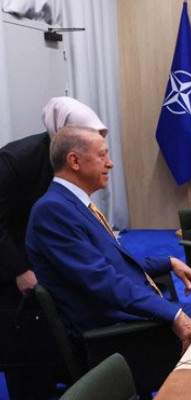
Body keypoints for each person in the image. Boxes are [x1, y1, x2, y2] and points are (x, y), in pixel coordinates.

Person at [25, 126, 191, 390]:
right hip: (115, 332)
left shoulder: (72, 204)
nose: (110, 163)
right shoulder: (53, 211)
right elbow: (103, 280)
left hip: (128, 313)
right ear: (74, 161)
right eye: (102, 155)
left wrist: (168, 262)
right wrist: (173, 314)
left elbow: (113, 262)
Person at [0, 97, 107, 399]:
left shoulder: (73, 161)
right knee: (24, 342)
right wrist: (19, 269)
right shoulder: (15, 160)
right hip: (10, 262)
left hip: (44, 256)